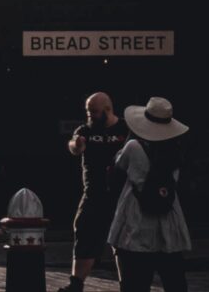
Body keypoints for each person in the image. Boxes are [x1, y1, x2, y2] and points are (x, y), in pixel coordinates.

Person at [105, 97, 193, 292]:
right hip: (168, 220)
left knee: (135, 281)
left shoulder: (133, 147)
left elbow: (116, 171)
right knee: (174, 279)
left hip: (136, 221)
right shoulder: (174, 149)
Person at [66, 92, 129, 289]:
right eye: (88, 111)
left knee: (124, 243)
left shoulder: (125, 128)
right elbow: (73, 145)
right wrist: (76, 145)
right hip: (93, 195)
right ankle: (76, 284)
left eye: (94, 111)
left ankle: (128, 284)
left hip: (121, 196)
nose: (90, 115)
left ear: (107, 110)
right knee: (84, 233)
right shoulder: (85, 129)